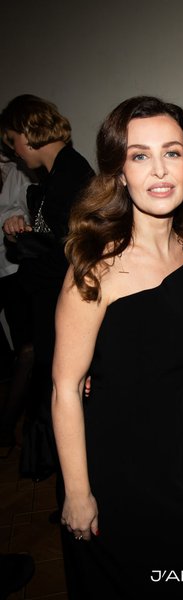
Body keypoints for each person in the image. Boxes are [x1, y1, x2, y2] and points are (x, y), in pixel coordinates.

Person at [51, 96, 183, 599]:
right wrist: (78, 493)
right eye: (139, 155)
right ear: (120, 174)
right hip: (112, 469)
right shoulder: (95, 268)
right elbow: (64, 388)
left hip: (179, 464)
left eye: (172, 153)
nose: (159, 170)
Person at [0, 95, 94, 480]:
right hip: (52, 300)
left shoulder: (71, 174)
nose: (15, 152)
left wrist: (27, 250)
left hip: (64, 302)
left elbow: (74, 253)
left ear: (28, 133)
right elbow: (56, 239)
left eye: (13, 142)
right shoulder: (57, 174)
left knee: (58, 385)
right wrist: (23, 234)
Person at [0, 147, 34, 447]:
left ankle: (7, 428)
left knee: (27, 348)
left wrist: (16, 226)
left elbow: (28, 217)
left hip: (16, 271)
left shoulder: (19, 173)